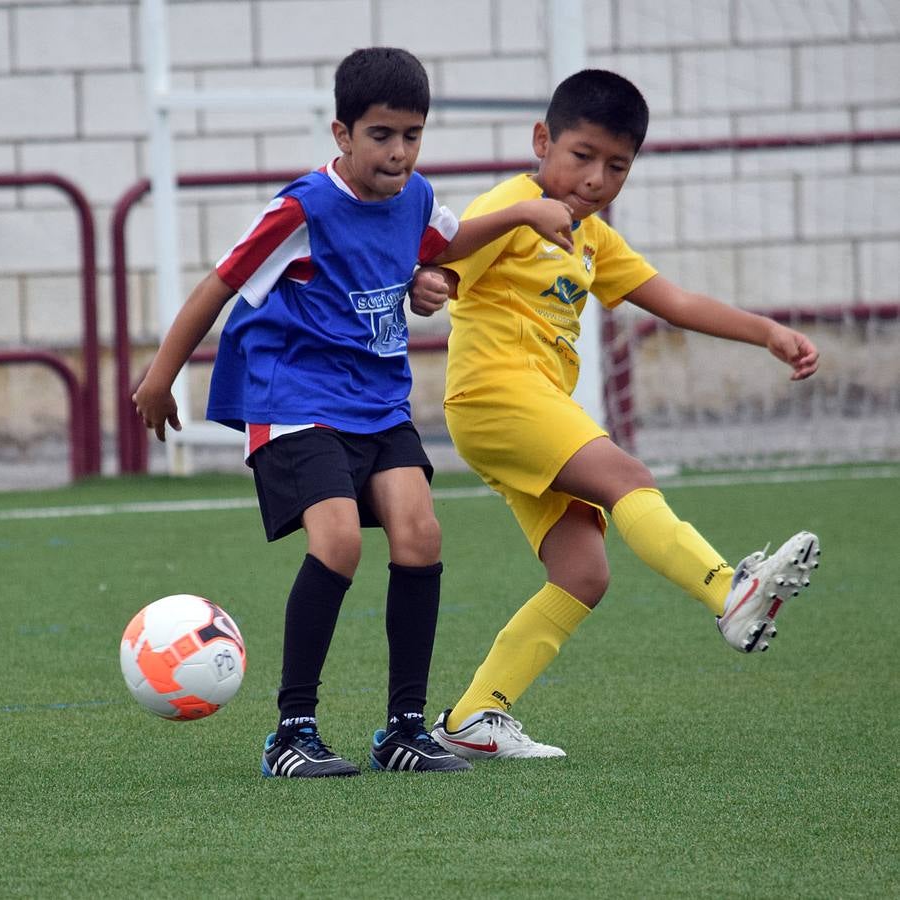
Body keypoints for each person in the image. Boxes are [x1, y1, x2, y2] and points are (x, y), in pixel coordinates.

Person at [133, 47, 577, 777]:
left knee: (421, 533)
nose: (398, 152)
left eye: (412, 135)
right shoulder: (302, 208)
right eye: (381, 136)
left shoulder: (415, 197)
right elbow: (220, 283)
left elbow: (442, 246)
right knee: (338, 541)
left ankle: (404, 729)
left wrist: (498, 228)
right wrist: (161, 378)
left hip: (376, 400)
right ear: (342, 134)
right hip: (294, 397)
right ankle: (291, 733)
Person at [409, 69, 823, 761]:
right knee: (625, 472)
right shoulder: (514, 202)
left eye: (617, 165)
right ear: (542, 141)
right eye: (582, 156)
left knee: (583, 572)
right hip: (496, 395)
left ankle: (475, 716)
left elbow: (676, 301)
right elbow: (442, 253)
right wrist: (432, 281)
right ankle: (729, 591)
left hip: (527, 412)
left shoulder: (594, 236)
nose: (596, 178)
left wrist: (767, 332)